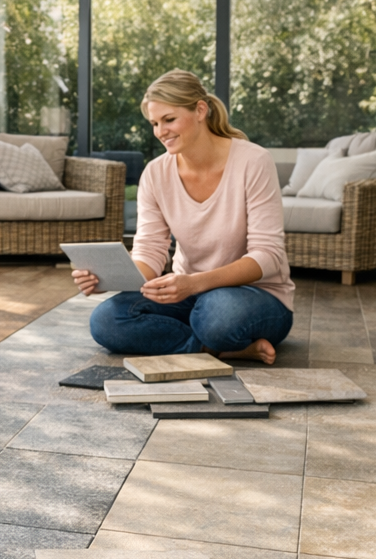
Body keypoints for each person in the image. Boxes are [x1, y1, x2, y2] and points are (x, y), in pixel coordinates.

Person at [75, 70, 294, 363]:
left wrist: (195, 283)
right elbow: (150, 251)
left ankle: (202, 338)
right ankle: (217, 350)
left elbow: (268, 256)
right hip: (189, 292)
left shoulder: (253, 161)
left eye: (169, 119)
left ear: (200, 110)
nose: (160, 131)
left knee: (217, 316)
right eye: (154, 123)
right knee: (106, 320)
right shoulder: (155, 173)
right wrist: (108, 279)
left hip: (254, 296)